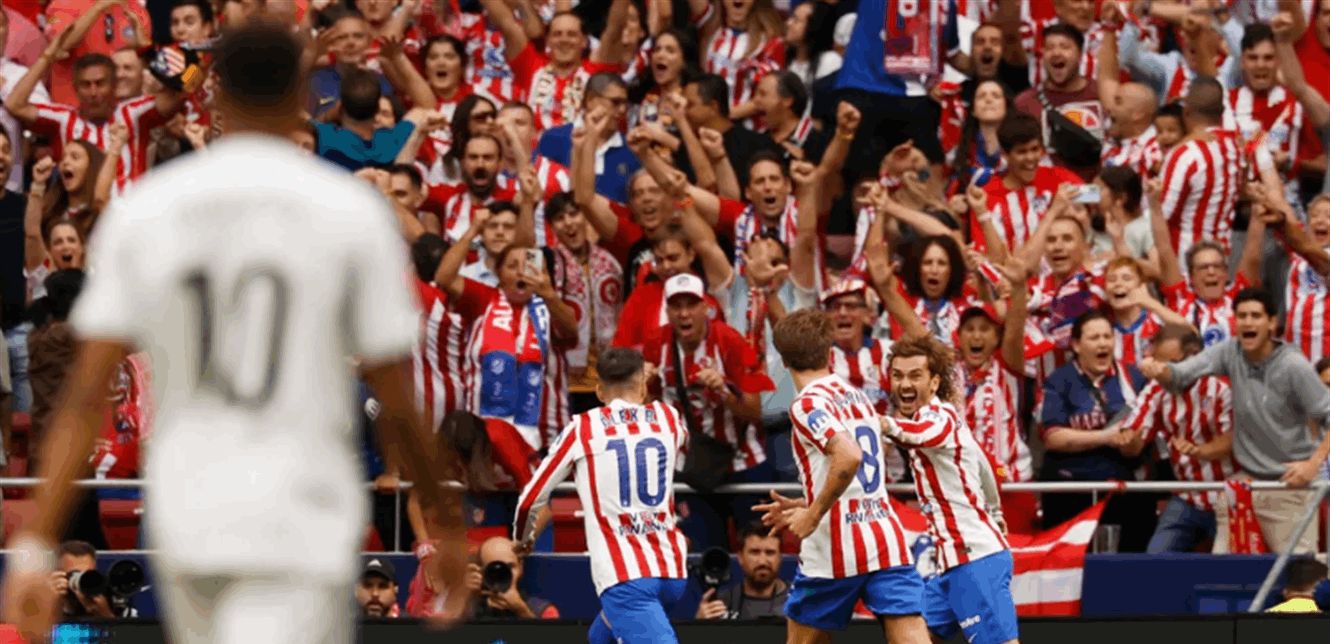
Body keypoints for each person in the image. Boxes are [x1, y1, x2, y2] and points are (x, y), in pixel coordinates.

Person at [0, 21, 469, 644]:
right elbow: (398, 399)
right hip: (302, 513)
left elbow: (84, 397)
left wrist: (35, 544)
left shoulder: (149, 210)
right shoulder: (349, 212)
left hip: (194, 512)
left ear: (217, 95)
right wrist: (446, 524)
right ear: (301, 94)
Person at [759, 308, 929, 644]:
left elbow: (849, 456)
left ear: (784, 360)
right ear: (828, 351)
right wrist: (805, 502)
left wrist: (812, 513)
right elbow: (855, 473)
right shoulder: (858, 396)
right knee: (910, 634)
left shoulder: (807, 404)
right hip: (884, 537)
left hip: (835, 548)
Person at [512, 348, 689, 643]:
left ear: (598, 391)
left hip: (625, 576)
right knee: (601, 638)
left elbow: (530, 499)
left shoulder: (583, 428)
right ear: (643, 386)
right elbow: (678, 436)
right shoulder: (668, 417)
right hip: (672, 571)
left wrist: (523, 539)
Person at [1139, 287, 1330, 554]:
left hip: (1288, 486)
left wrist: (1313, 464)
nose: (1248, 322)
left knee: (1298, 572)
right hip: (1244, 485)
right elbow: (1182, 373)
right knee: (1225, 569)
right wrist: (1160, 370)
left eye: (1255, 316)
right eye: (1242, 316)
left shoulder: (1293, 365)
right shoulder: (1231, 351)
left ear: (1272, 323)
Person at [877, 334, 1019, 644]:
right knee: (910, 636)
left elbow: (920, 434)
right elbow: (984, 467)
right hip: (948, 565)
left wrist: (883, 424)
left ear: (934, 382)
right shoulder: (952, 418)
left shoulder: (936, 418)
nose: (904, 384)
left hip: (974, 559)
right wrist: (995, 512)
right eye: (898, 376)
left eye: (915, 375)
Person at [1119, 325, 1234, 554]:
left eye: (1168, 364)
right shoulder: (1156, 388)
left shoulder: (1222, 386)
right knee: (1156, 558)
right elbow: (1134, 439)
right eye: (1157, 363)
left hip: (1228, 493)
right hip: (1186, 496)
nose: (1161, 372)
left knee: (1229, 564)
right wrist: (1128, 440)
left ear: (1194, 359)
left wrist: (1199, 451)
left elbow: (1233, 441)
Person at [694, 521, 789, 620]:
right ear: (740, 557)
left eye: (770, 553)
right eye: (754, 552)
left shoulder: (797, 601)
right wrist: (701, 623)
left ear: (780, 558)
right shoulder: (721, 605)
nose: (762, 561)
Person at [469, 536, 559, 619]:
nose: (503, 574)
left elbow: (551, 632)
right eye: (494, 568)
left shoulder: (543, 610)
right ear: (481, 572)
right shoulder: (468, 608)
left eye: (510, 567)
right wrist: (465, 596)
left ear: (520, 567)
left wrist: (522, 611)